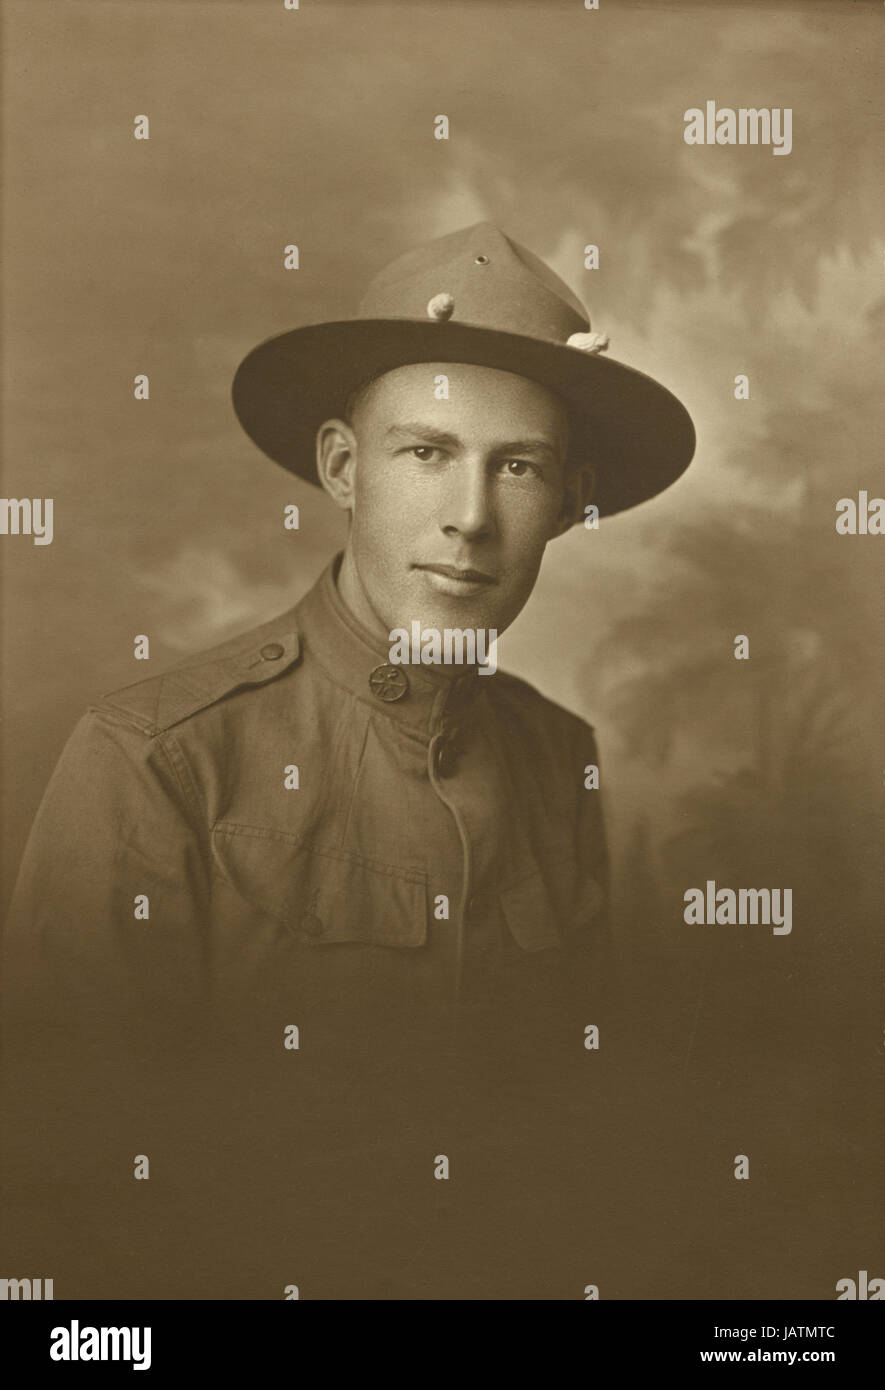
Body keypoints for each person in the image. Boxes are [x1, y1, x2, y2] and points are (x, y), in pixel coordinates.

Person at [2, 222, 696, 1297]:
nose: (469, 519)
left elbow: (574, 1138)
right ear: (343, 466)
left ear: (566, 506)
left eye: (518, 467)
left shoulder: (560, 758)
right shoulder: (159, 755)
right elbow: (67, 1196)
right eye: (427, 452)